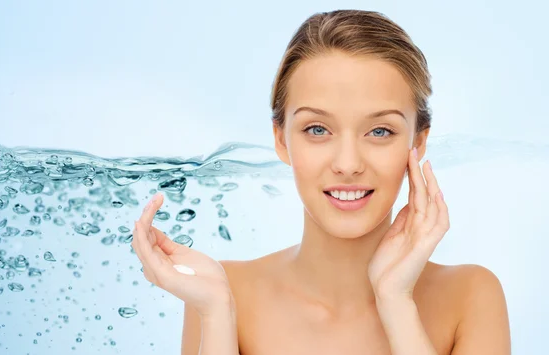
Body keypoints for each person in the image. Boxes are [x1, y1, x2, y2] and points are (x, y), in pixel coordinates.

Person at [131, 9, 511, 355]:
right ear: (281, 139)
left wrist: (396, 302)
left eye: (380, 131)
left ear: (418, 141)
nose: (348, 164)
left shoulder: (471, 296)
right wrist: (216, 315)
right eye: (317, 129)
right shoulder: (221, 291)